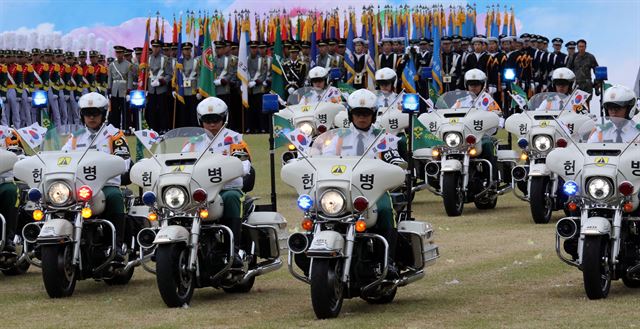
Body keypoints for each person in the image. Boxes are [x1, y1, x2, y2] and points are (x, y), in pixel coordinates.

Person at [314, 89, 405, 278]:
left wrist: (397, 164)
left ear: (373, 115)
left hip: (373, 191)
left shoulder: (383, 137)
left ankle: (387, 261)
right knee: (314, 211)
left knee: (386, 210)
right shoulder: (338, 137)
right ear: (350, 115)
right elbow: (323, 159)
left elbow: (393, 157)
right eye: (357, 113)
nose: (362, 118)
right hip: (342, 190)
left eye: (366, 114)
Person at [61, 92, 131, 262]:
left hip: (105, 185)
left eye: (95, 113)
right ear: (81, 115)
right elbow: (61, 158)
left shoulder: (115, 135)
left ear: (104, 114)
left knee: (115, 197)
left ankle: (117, 245)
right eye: (87, 113)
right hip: (79, 187)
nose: (91, 117)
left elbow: (125, 162)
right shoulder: (75, 137)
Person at [192, 96, 253, 267]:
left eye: (216, 119)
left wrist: (230, 168)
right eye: (207, 120)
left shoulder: (235, 139)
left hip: (227, 189)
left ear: (224, 118)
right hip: (201, 191)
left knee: (232, 197)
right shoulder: (193, 142)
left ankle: (233, 249)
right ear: (200, 120)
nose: (211, 124)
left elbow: (245, 165)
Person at [0, 125, 19, 253]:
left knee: (11, 191)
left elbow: (20, 151)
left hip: (3, 181)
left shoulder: (8, 132)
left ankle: (9, 238)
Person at [107, 46, 134, 131]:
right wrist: (109, 88)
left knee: (125, 111)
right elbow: (110, 78)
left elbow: (130, 78)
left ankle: (126, 128)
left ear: (123, 53)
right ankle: (115, 129)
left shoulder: (128, 65)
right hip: (115, 90)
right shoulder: (112, 65)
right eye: (117, 53)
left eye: (120, 53)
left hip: (124, 89)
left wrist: (129, 90)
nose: (118, 55)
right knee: (114, 111)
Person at [567, 39, 598, 107]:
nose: (581, 48)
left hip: (587, 85)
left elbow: (597, 71)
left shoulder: (590, 57)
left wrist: (597, 84)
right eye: (579, 46)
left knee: (587, 105)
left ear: (585, 47)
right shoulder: (573, 57)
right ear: (577, 47)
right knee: (576, 105)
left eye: (582, 46)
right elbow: (568, 71)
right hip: (576, 85)